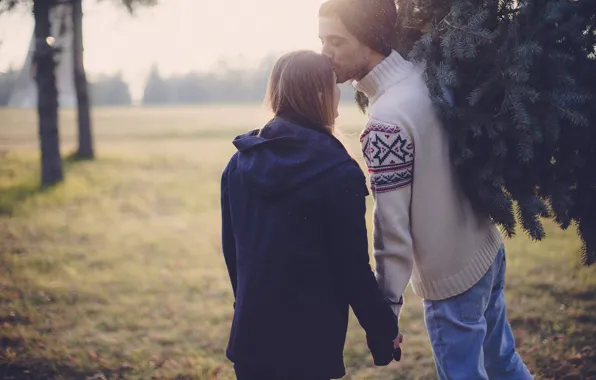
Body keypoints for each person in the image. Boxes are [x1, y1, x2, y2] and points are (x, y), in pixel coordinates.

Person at [318, 1, 534, 379]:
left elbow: (392, 231)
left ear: (368, 40)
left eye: (335, 41)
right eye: (322, 40)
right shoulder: (427, 73)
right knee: (505, 366)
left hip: (451, 280)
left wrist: (385, 312)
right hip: (486, 251)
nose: (325, 53)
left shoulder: (386, 121)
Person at [220, 50, 400, 380]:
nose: (338, 95)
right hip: (309, 349)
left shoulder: (238, 164)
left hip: (251, 340)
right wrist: (384, 332)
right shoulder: (339, 172)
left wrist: (246, 307)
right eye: (334, 86)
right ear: (320, 94)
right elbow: (353, 269)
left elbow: (234, 255)